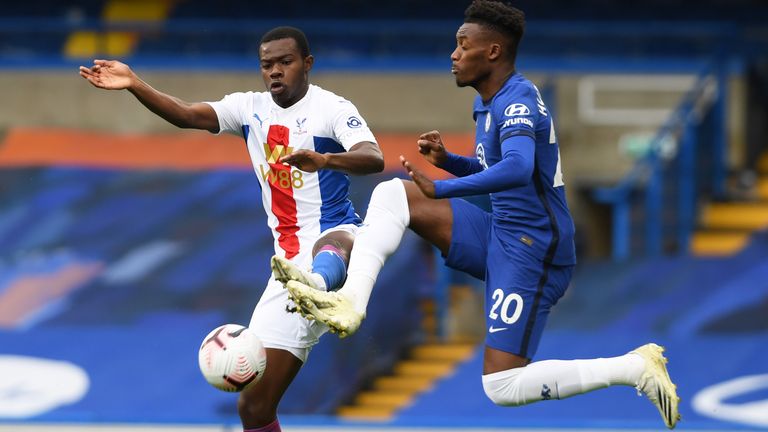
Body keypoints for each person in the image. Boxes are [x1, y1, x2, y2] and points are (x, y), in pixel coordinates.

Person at [275, 1, 681, 429]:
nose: (453, 53)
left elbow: (520, 168)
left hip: (533, 250)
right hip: (500, 230)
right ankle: (350, 302)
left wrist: (443, 186)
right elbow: (500, 171)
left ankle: (632, 368)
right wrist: (449, 161)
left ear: (492, 52)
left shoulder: (518, 98)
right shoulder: (489, 104)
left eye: (462, 45)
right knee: (394, 194)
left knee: (502, 385)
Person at [79, 26, 383, 432]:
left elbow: (373, 156)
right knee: (253, 408)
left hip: (335, 239)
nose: (275, 72)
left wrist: (326, 161)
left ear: (307, 64)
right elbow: (187, 114)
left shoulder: (331, 108)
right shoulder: (249, 108)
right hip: (285, 268)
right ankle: (308, 286)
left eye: (285, 62)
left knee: (338, 239)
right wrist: (135, 84)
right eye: (267, 65)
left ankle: (320, 285)